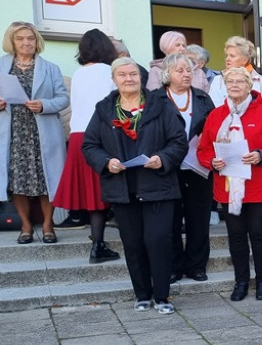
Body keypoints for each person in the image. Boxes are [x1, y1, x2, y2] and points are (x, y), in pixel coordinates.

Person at [81, 58, 187, 314]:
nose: (128, 79)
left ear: (141, 78)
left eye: (132, 74)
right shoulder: (104, 109)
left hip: (158, 186)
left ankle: (162, 296)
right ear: (114, 79)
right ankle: (142, 294)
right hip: (123, 189)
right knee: (133, 243)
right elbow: (90, 145)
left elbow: (178, 141)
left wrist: (162, 159)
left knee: (158, 240)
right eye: (122, 75)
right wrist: (106, 162)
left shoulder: (160, 106)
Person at [198, 67, 262, 301]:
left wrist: (260, 155)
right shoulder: (215, 116)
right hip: (228, 187)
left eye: (240, 81)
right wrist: (211, 161)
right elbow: (203, 150)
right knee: (236, 236)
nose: (234, 85)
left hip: (258, 188)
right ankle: (241, 281)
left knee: (259, 235)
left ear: (249, 86)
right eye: (230, 81)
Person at [52, 29, 119, 261]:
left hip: (79, 136)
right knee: (101, 192)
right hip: (101, 135)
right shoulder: (109, 71)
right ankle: (98, 246)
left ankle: (98, 243)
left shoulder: (78, 73)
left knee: (91, 194)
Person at [0, 21, 69, 244]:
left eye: (30, 38)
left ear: (37, 41)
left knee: (45, 180)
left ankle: (48, 224)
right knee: (17, 181)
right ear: (12, 41)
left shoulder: (50, 68)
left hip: (42, 133)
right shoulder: (1, 66)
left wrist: (44, 105)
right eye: (20, 38)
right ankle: (26, 226)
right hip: (13, 133)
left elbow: (63, 98)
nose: (26, 42)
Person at [149, 53, 216, 282]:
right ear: (168, 74)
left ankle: (196, 265)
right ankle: (174, 266)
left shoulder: (202, 98)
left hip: (198, 167)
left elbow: (215, 129)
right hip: (168, 167)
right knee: (171, 219)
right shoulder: (155, 99)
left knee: (199, 217)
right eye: (180, 70)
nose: (186, 74)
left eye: (188, 70)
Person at [208, 36, 262, 108]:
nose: (227, 59)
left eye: (232, 56)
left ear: (245, 60)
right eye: (227, 55)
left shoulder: (260, 81)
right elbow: (215, 109)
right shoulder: (218, 80)